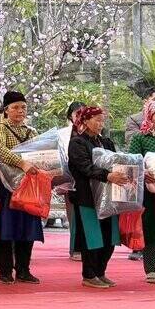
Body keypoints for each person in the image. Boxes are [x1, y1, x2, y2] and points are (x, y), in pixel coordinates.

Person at [68, 106, 129, 288]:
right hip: (87, 197)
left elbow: (118, 162)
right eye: (96, 119)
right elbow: (84, 167)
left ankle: (101, 272)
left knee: (109, 237)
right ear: (85, 121)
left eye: (102, 120)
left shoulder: (107, 142)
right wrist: (107, 175)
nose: (100, 123)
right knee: (92, 237)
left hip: (108, 197)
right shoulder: (77, 143)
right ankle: (89, 275)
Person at [0, 91, 44, 285]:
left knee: (26, 228)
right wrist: (23, 164)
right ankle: (4, 270)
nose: (20, 111)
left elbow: (41, 153)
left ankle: (23, 269)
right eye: (15, 107)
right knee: (5, 228)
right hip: (5, 186)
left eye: (23, 107)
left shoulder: (32, 131)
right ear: (6, 109)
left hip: (27, 187)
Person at [127, 99, 155, 283]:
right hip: (149, 192)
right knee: (151, 228)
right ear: (149, 116)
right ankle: (151, 270)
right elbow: (133, 161)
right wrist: (144, 171)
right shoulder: (140, 138)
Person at [60, 101, 86, 262]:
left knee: (84, 214)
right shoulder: (62, 134)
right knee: (73, 215)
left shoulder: (93, 131)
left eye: (83, 113)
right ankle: (74, 248)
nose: (80, 117)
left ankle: (84, 248)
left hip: (87, 178)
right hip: (68, 179)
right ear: (70, 115)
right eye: (77, 113)